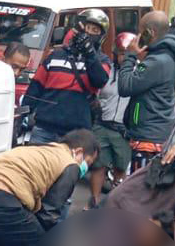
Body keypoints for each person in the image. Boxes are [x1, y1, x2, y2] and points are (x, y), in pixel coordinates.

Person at [23, 9, 111, 145]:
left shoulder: (102, 60)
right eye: (86, 27)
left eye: (95, 30)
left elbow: (99, 80)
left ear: (101, 36)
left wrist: (89, 53)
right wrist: (22, 116)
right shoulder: (55, 55)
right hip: (44, 128)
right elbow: (35, 87)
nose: (88, 33)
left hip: (76, 134)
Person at [118, 11, 175, 170]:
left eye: (141, 31)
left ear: (150, 32)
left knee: (138, 191)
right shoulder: (166, 56)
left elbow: (125, 87)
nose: (138, 35)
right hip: (156, 133)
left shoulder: (157, 61)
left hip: (147, 137)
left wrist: (130, 55)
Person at [88, 32, 135, 209]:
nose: (123, 57)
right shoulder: (106, 69)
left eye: (127, 53)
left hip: (122, 129)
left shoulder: (137, 73)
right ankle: (93, 201)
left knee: (121, 167)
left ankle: (114, 207)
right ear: (115, 53)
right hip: (102, 124)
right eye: (121, 53)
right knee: (98, 165)